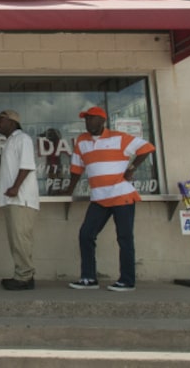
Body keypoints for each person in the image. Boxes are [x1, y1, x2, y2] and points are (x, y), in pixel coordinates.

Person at [64, 106, 155, 292]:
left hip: (122, 196)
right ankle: (89, 278)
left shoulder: (119, 137)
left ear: (102, 121)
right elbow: (76, 169)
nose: (88, 122)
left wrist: (132, 168)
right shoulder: (82, 141)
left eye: (91, 118)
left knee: (124, 238)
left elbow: (147, 147)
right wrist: (68, 191)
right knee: (86, 235)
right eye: (86, 119)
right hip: (99, 198)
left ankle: (127, 281)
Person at [0, 110, 39, 291]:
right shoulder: (11, 141)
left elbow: (27, 166)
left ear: (12, 123)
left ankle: (24, 277)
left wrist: (15, 187)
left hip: (22, 199)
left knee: (21, 239)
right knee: (16, 240)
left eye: (1, 121)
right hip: (12, 200)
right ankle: (21, 274)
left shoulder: (23, 139)